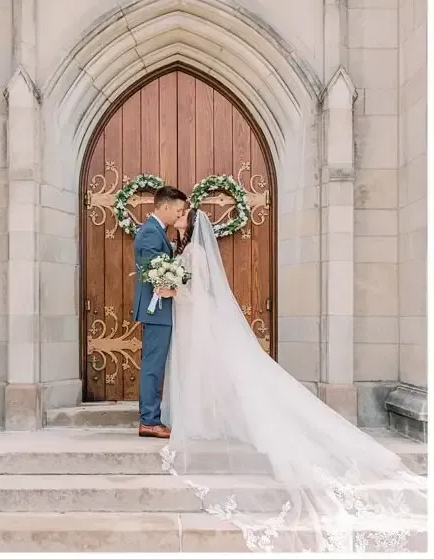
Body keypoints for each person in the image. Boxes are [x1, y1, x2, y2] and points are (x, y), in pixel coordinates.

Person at [161, 208, 427, 552]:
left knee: (212, 373)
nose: (179, 218)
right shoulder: (185, 249)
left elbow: (197, 292)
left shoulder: (194, 253)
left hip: (196, 320)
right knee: (207, 374)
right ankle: (204, 418)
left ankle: (205, 420)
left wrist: (172, 292)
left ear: (192, 226)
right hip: (193, 321)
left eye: (184, 216)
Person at [131, 185, 187, 438]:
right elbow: (154, 271)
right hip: (157, 309)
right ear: (164, 207)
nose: (179, 215)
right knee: (153, 365)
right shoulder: (150, 233)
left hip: (162, 309)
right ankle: (149, 421)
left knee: (156, 363)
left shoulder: (157, 231)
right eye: (177, 210)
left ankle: (152, 417)